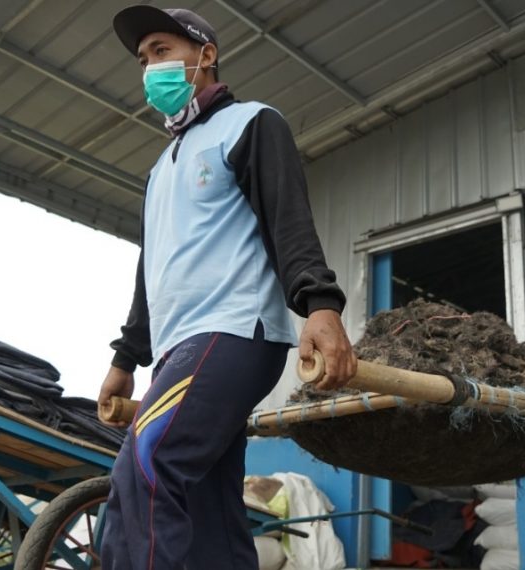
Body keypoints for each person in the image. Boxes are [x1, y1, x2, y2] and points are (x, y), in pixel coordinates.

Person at [95, 6, 357, 569]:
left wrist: (319, 306)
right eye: (143, 60)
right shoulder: (160, 169)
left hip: (233, 331)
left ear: (205, 55)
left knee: (147, 463)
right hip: (176, 348)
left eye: (162, 52)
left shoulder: (252, 123)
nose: (149, 68)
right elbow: (152, 272)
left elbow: (289, 222)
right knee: (208, 508)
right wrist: (126, 358)